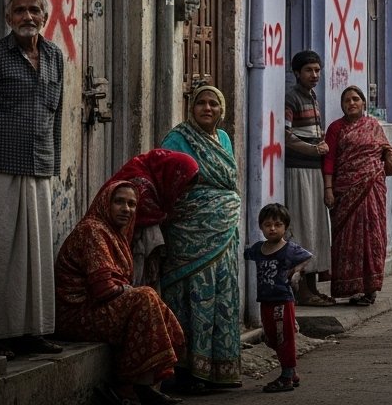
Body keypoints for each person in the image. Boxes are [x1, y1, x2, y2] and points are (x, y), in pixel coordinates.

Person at [0, 0, 65, 357]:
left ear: (45, 16)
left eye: (34, 10)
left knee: (34, 256)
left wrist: (52, 162)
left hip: (38, 166)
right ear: (9, 18)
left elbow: (56, 116)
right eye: (20, 11)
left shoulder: (54, 56)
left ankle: (32, 332)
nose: (27, 17)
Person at [54, 180, 184, 405]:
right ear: (106, 203)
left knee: (147, 297)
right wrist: (129, 291)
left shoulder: (116, 234)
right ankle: (133, 388)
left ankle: (141, 386)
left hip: (97, 308)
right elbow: (104, 289)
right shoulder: (93, 230)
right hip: (76, 314)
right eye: (119, 202)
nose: (127, 209)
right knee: (144, 297)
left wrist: (127, 291)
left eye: (132, 204)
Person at [159, 85, 243, 392]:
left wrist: (223, 207)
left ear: (221, 110)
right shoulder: (176, 138)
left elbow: (228, 182)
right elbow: (168, 184)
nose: (207, 108)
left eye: (213, 104)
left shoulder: (223, 139)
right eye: (201, 104)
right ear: (191, 108)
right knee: (190, 297)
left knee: (222, 296)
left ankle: (218, 370)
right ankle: (187, 372)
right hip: (188, 233)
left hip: (224, 234)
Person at [323, 86, 392, 306]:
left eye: (356, 99)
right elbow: (329, 160)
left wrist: (388, 154)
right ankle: (351, 288)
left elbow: (385, 147)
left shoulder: (373, 126)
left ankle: (370, 288)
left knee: (373, 235)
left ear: (364, 103)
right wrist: (328, 189)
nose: (351, 103)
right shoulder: (336, 128)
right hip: (345, 191)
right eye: (347, 100)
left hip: (373, 189)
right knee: (347, 238)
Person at [244, 203, 314, 393]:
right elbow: (244, 252)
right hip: (265, 301)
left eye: (277, 224)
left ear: (285, 227)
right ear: (261, 227)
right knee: (272, 338)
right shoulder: (259, 249)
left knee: (285, 337)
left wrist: (296, 272)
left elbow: (307, 256)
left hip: (283, 300)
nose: (272, 228)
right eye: (267, 225)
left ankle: (286, 376)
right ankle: (291, 373)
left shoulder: (289, 249)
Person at [285, 51, 335, 302]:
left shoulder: (313, 97)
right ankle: (302, 290)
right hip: (299, 170)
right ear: (297, 72)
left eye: (317, 70)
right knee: (304, 227)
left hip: (314, 170)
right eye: (309, 70)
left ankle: (313, 287)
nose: (314, 75)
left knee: (316, 228)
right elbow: (286, 135)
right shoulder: (291, 98)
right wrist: (313, 149)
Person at [108, 149, 200, 286]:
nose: (180, 195)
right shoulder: (143, 187)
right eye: (180, 189)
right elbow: (147, 217)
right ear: (173, 177)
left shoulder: (156, 170)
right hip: (113, 246)